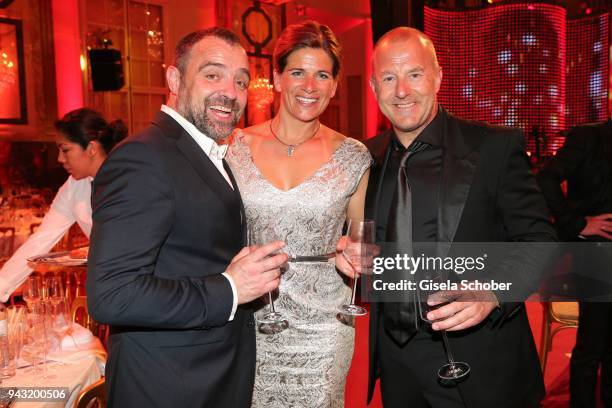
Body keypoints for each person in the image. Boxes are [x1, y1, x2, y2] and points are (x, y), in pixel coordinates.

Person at [344, 27, 556, 407]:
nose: (402, 91)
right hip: (398, 364)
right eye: (389, 78)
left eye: (414, 74)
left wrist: (492, 292)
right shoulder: (365, 160)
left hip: (482, 363)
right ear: (375, 88)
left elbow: (540, 242)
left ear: (438, 76)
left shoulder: (494, 148)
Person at [87, 28, 287, 407]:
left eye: (241, 81)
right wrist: (229, 288)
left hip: (205, 376)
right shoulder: (143, 158)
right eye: (212, 75)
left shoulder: (205, 154)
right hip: (166, 386)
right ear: (175, 79)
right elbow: (111, 295)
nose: (230, 91)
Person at [226, 20, 371, 407]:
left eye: (322, 74)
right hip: (249, 320)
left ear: (335, 85)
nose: (310, 86)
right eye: (297, 72)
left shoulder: (353, 156)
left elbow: (363, 243)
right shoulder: (233, 147)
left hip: (325, 327)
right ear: (276, 78)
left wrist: (361, 258)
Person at [0, 108, 127, 302]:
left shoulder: (128, 179)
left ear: (91, 148)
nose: (60, 159)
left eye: (65, 149)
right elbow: (40, 240)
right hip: (110, 286)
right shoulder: (74, 187)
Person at [537, 120, 612, 408]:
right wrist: (577, 223)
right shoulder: (589, 136)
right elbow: (546, 178)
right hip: (595, 254)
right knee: (592, 347)